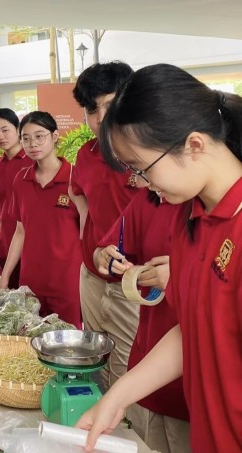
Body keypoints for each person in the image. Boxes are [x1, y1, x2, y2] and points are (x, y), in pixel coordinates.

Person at [76, 63, 242, 453]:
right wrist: (115, 398)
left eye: (142, 169)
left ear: (194, 145)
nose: (141, 184)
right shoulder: (192, 217)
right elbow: (192, 329)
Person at [93, 191, 190, 453]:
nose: (138, 177)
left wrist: (182, 274)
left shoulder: (221, 215)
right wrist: (104, 257)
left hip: (193, 393)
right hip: (147, 373)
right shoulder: (150, 199)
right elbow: (103, 251)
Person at [68, 61, 141, 388]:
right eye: (91, 109)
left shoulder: (146, 156)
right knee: (94, 364)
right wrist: (90, 239)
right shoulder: (85, 154)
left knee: (129, 374)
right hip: (92, 277)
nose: (99, 119)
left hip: (135, 283)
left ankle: (130, 439)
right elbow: (78, 194)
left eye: (109, 106)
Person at [0, 111, 82, 328]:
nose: (32, 143)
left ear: (54, 137)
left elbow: (87, 232)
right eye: (26, 138)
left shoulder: (75, 179)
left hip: (67, 282)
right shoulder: (21, 179)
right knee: (31, 345)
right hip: (31, 281)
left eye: (39, 136)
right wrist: (5, 275)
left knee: (66, 344)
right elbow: (20, 231)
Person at [0, 108, 32, 287]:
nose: (0, 137)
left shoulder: (33, 161)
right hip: (6, 242)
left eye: (5, 130)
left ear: (18, 129)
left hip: (31, 244)